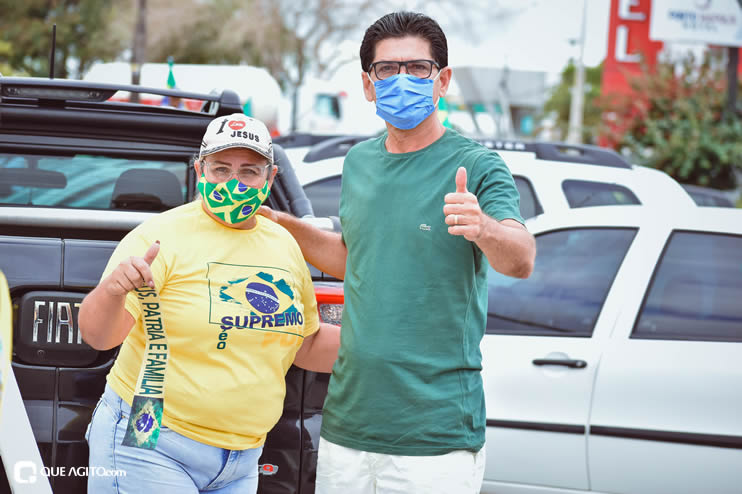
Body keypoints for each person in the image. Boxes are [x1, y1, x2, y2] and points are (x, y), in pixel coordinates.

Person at [258, 11, 537, 494]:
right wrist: (284, 224)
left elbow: (521, 258)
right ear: (369, 85)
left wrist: (483, 227)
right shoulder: (359, 162)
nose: (401, 80)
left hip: (434, 437)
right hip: (347, 428)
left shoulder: (477, 165)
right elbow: (355, 258)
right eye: (387, 69)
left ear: (442, 80)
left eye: (418, 68)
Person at [78, 113, 340, 494]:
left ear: (269, 178)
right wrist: (112, 292)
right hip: (152, 441)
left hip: (241, 460)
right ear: (200, 170)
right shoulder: (160, 237)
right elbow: (98, 336)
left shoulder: (284, 244)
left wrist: (385, 346)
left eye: (249, 171)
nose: (234, 182)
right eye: (221, 169)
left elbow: (307, 343)